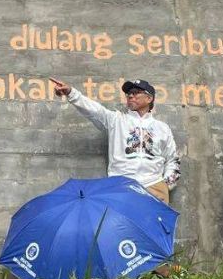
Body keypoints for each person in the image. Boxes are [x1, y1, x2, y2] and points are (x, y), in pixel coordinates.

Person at [51, 77, 180, 203]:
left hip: (154, 187)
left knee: (154, 219)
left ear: (149, 98)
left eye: (136, 92)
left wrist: (165, 185)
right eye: (129, 93)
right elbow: (94, 110)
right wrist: (71, 93)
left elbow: (172, 159)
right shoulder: (116, 120)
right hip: (121, 187)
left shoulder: (162, 128)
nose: (131, 96)